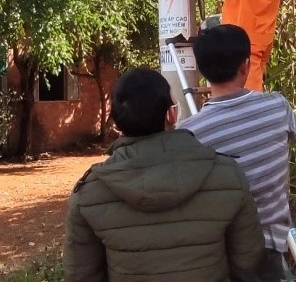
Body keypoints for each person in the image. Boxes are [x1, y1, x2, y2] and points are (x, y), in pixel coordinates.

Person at [63, 68, 265, 282]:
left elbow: (81, 275)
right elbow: (248, 264)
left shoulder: (89, 193)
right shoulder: (227, 176)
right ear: (171, 114)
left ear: (116, 122)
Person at [180, 24, 296, 282]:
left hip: (220, 248)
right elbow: (293, 132)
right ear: (245, 66)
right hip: (270, 244)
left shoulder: (189, 133)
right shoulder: (277, 108)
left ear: (202, 72)